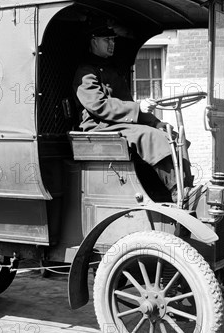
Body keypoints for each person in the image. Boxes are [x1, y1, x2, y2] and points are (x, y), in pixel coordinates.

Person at [72, 25, 194, 202]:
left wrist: (154, 122)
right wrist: (138, 109)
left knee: (170, 133)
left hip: (116, 124)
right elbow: (98, 106)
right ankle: (177, 191)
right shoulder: (85, 72)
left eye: (113, 40)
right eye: (106, 40)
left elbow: (127, 104)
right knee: (150, 136)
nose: (111, 44)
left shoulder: (111, 70)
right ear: (93, 41)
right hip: (98, 128)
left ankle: (185, 186)